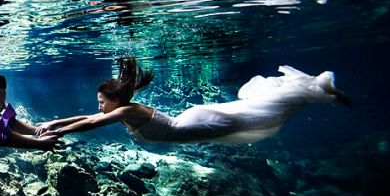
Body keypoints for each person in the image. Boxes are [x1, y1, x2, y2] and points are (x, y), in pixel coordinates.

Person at [37, 57, 350, 144]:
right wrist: (55, 122)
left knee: (260, 114)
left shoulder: (127, 110)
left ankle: (316, 89)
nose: (99, 107)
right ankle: (313, 91)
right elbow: (91, 118)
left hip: (197, 123)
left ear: (116, 100)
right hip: (194, 123)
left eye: (102, 101)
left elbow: (91, 122)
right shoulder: (126, 110)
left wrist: (56, 127)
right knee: (260, 113)